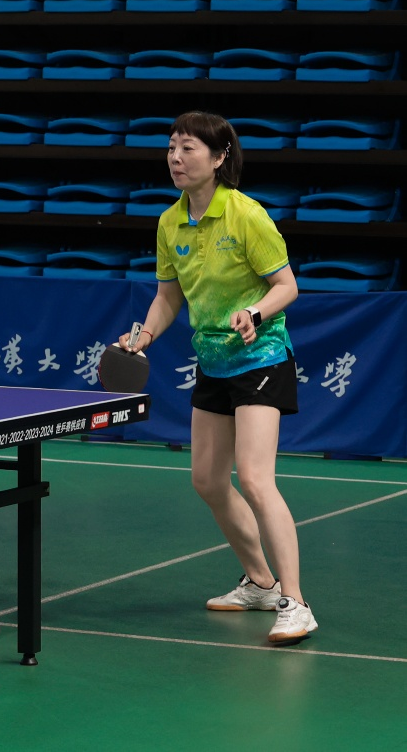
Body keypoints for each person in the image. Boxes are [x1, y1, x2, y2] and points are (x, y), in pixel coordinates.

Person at [121, 110, 315, 644]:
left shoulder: (246, 215)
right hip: (212, 361)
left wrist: (254, 312)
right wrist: (144, 336)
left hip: (261, 357)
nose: (175, 158)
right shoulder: (169, 222)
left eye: (187, 148)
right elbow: (168, 297)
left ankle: (296, 602)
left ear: (219, 156)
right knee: (207, 480)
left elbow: (286, 286)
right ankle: (260, 582)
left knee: (254, 477)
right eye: (171, 147)